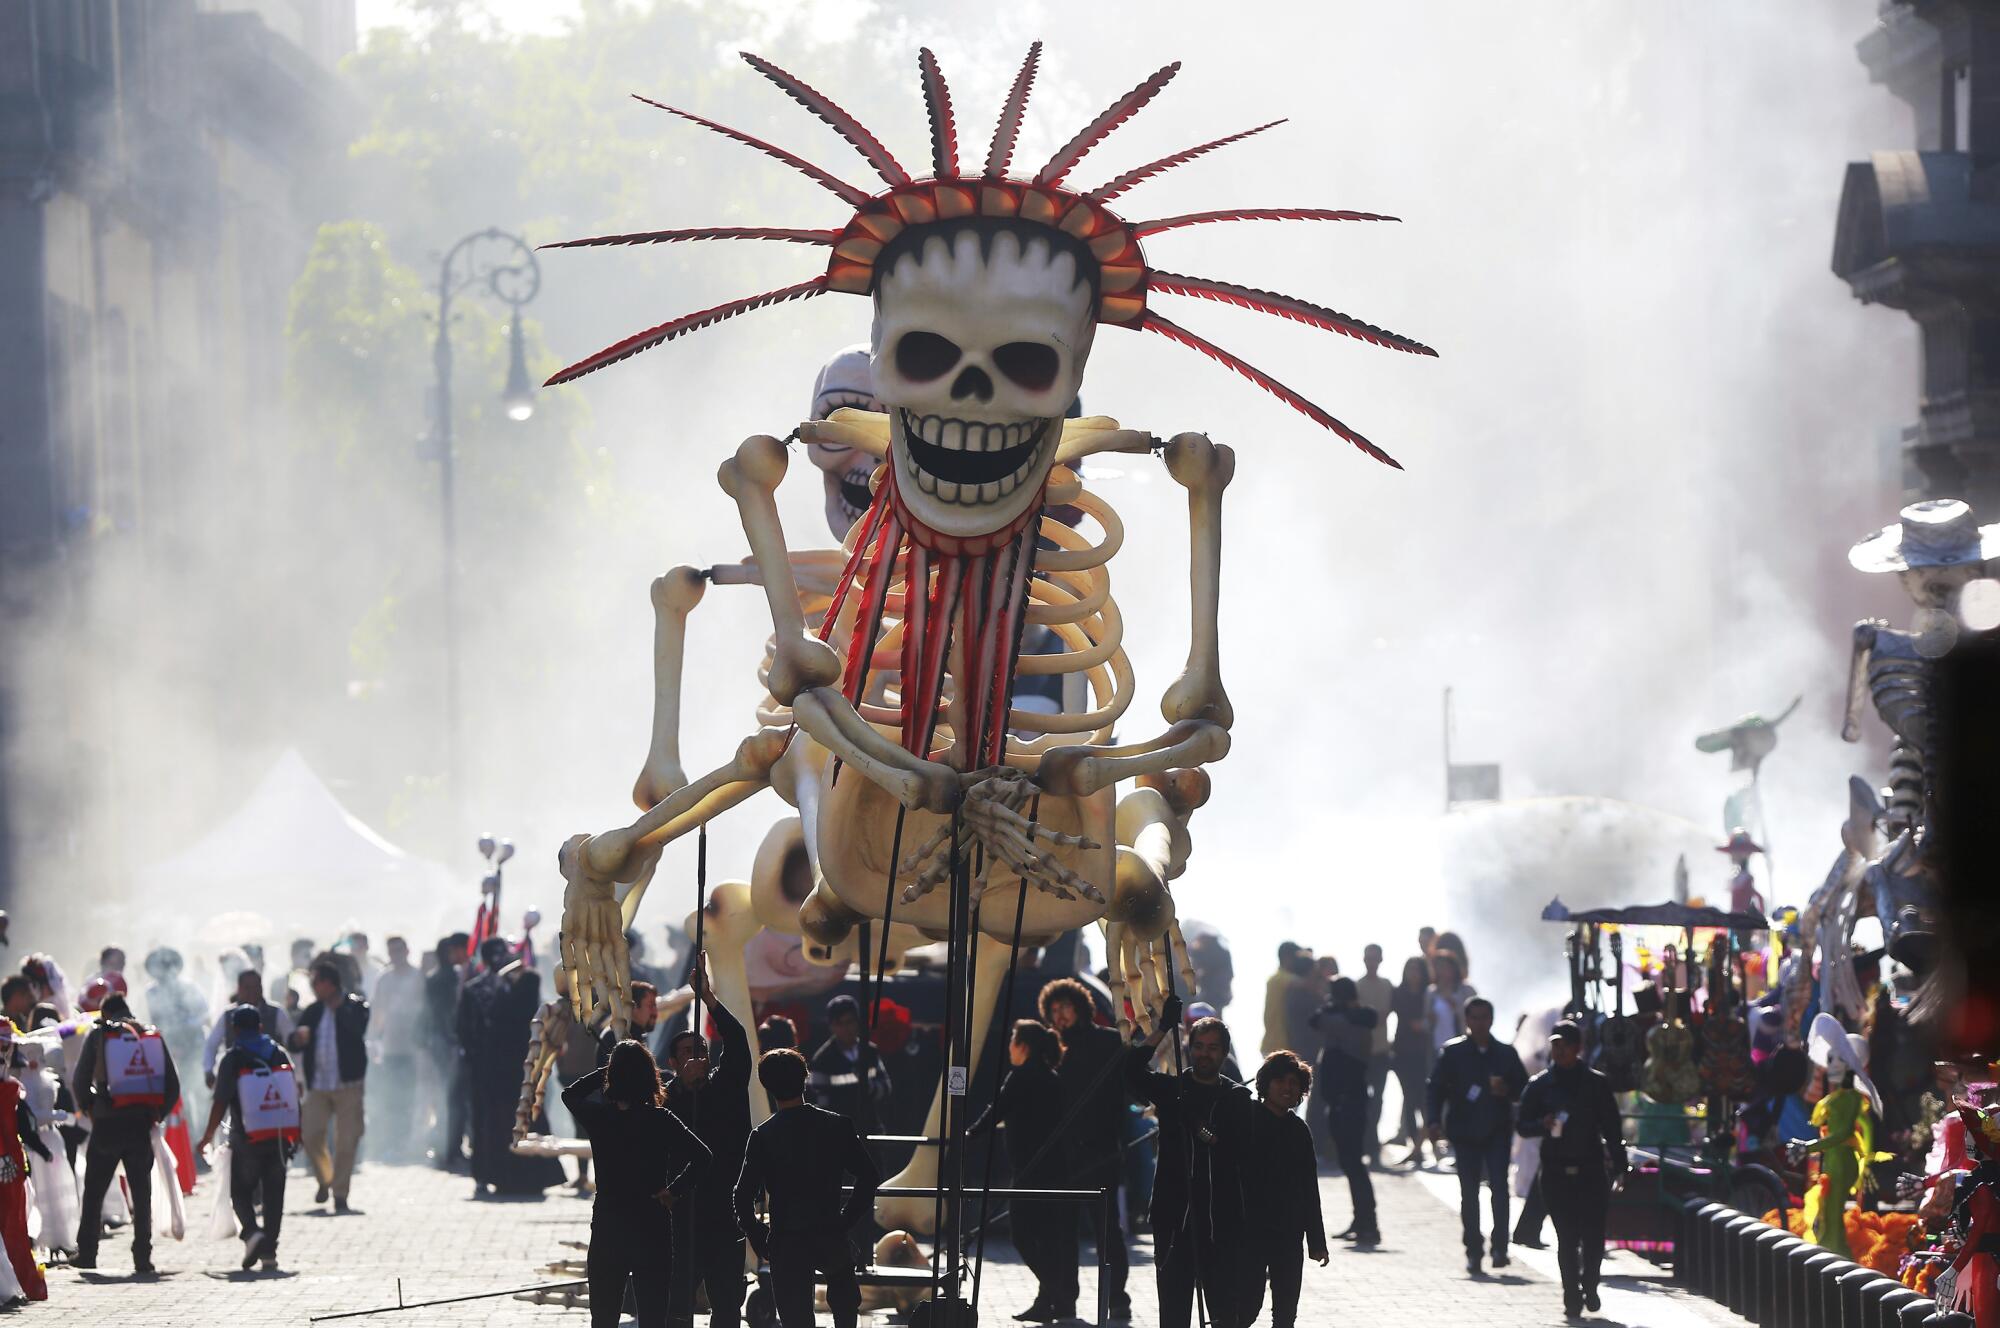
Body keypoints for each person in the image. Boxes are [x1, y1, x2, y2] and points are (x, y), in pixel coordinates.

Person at [564, 1039, 711, 1328]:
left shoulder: (600, 1117)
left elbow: (571, 1094)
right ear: (650, 1077)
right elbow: (703, 1157)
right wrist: (675, 1190)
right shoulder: (661, 1119)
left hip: (609, 1223)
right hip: (652, 1222)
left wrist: (613, 1069)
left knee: (604, 1317)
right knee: (653, 1317)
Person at [1128, 999, 1255, 1328]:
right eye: (1198, 1046)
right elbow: (1129, 1070)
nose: (1204, 1054)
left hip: (1220, 1219)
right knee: (1173, 1311)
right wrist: (1161, 1029)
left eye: (1213, 1048)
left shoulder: (1237, 1098)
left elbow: (1245, 1155)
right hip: (1174, 1217)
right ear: (1188, 1047)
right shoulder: (1171, 1089)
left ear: (1225, 1052)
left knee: (1226, 1312)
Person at [733, 1048, 882, 1328]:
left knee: (796, 1319)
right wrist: (845, 1220)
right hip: (830, 1232)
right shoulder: (837, 1126)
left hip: (786, 1238)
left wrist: (757, 1234)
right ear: (805, 1078)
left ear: (767, 1086)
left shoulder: (763, 1136)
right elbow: (869, 1176)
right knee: (846, 1312)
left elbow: (742, 1196)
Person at [661, 957, 753, 1328]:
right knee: (677, 1303)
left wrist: (710, 1000)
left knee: (727, 1303)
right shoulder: (666, 1099)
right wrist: (683, 1086)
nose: (697, 1057)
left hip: (724, 1207)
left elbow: (738, 1041)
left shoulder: (726, 1086)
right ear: (672, 1062)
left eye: (701, 1050)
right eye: (687, 1052)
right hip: (681, 1213)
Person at [967, 1020, 1073, 1322]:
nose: (1010, 1047)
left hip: (1030, 1168)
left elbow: (997, 1109)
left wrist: (971, 1134)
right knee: (1047, 1236)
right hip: (1052, 1168)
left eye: (1013, 1040)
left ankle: (1054, 1290)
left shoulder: (1022, 1075)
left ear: (1022, 1045)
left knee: (1023, 1235)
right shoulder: (1051, 1076)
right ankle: (1049, 1297)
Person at [1517, 1019, 1624, 1318]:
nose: (1559, 1051)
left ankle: (1590, 1283)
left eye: (1565, 1045)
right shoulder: (1539, 1085)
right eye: (1555, 1045)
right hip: (1554, 1172)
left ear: (1578, 1048)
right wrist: (1542, 1124)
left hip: (1591, 1169)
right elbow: (1522, 1125)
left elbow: (1612, 1128)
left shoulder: (1596, 1084)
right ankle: (1570, 1295)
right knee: (1566, 1236)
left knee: (1593, 1236)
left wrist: (1619, 1165)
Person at [1040, 977, 1131, 1320]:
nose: (1061, 1016)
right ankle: (1064, 1302)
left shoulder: (1108, 1042)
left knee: (1108, 1233)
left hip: (1102, 1150)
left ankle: (1117, 1298)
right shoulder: (1050, 1048)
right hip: (1063, 1155)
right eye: (1054, 1010)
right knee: (1063, 1233)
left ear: (1080, 1008)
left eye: (1066, 1008)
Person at [73, 993, 180, 1273]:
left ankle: (87, 1253)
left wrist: (89, 1108)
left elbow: (80, 1079)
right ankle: (142, 1256)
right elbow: (173, 1084)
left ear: (105, 1013)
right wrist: (158, 1114)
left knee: (94, 1190)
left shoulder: (101, 1035)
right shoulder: (148, 1036)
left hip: (107, 1122)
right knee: (141, 1192)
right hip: (140, 1123)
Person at [1427, 996, 1528, 1276]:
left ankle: (1500, 1247)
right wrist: (1433, 1120)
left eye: (1484, 1017)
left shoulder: (1506, 1054)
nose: (1479, 1023)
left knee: (1499, 1188)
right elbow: (1435, 1088)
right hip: (1464, 1131)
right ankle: (1473, 1249)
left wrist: (1506, 1089)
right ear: (1466, 1020)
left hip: (1497, 1130)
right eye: (1474, 1018)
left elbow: (1524, 1090)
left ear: (1492, 1020)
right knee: (1469, 1194)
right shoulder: (1453, 1052)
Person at [458, 937, 565, 1197]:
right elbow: (465, 1030)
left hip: (519, 1066)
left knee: (524, 1117)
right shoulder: (477, 989)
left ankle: (526, 1176)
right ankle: (491, 1174)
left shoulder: (525, 981)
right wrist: (478, 1059)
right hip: (491, 1070)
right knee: (492, 1122)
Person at [198, 1006, 297, 1272]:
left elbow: (220, 1102)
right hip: (277, 1136)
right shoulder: (278, 1053)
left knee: (240, 1190)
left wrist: (207, 1136)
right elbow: (292, 1093)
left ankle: (252, 1233)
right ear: (261, 1028)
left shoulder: (233, 1058)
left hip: (246, 1138)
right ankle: (269, 1253)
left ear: (235, 1030)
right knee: (274, 1194)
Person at [1245, 1051, 1327, 1328]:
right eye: (1280, 1080)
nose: (1287, 1087)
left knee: (1285, 1312)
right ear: (1266, 1084)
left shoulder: (1299, 1131)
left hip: (1289, 1234)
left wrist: (1316, 1242)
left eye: (1294, 1082)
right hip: (1249, 1233)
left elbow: (1309, 1189)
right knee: (1246, 1307)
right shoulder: (1247, 1120)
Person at [289, 960, 369, 1212]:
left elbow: (358, 1029)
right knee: (310, 1134)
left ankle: (340, 1194)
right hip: (319, 1086)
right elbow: (294, 1043)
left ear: (330, 983)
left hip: (348, 1085)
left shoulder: (356, 1005)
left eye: (317, 982)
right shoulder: (313, 1011)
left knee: (347, 1140)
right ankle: (326, 1179)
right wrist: (297, 1038)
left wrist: (340, 1010)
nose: (313, 987)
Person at [1311, 977, 1379, 1243]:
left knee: (1353, 1163)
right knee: (1352, 1164)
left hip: (1347, 1102)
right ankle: (1363, 1220)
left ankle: (1367, 1223)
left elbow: (1316, 1020)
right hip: (1347, 1101)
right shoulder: (1356, 1018)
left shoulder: (1344, 1020)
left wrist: (1334, 1007)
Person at [368, 936, 427, 1161]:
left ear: (407, 951)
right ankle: (392, 1143)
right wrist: (373, 1040)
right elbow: (377, 1013)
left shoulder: (418, 977)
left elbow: (425, 1012)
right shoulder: (384, 980)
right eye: (391, 951)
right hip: (391, 1048)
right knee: (391, 1098)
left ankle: (408, 1143)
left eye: (399, 950)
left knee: (411, 1098)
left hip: (413, 1049)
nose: (396, 955)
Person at [807, 993, 891, 1136]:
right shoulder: (822, 1060)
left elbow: (886, 1087)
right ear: (831, 1026)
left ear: (858, 1022)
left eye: (850, 1022)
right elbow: (819, 1102)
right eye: (839, 1023)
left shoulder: (870, 1051)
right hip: (840, 1135)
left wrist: (869, 1087)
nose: (846, 1028)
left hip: (871, 1130)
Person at [426, 933, 470, 1171]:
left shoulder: (439, 978)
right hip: (447, 1043)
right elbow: (443, 1014)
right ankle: (449, 1149)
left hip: (444, 1042)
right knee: (452, 1099)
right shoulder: (445, 979)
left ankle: (449, 1147)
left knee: (450, 1099)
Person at [203, 969, 291, 1089]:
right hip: (237, 1081)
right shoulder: (228, 1016)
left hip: (272, 1082)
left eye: (256, 987)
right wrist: (209, 1070)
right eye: (247, 987)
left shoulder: (276, 1013)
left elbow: (291, 1041)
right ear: (239, 989)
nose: (252, 992)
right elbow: (211, 1045)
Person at [1389, 956, 1435, 1166]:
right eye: (1410, 969)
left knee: (1422, 1099)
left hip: (1423, 1052)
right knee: (1408, 1098)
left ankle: (1422, 1142)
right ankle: (1414, 1144)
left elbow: (1433, 1019)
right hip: (1402, 1051)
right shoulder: (1399, 993)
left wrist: (1424, 1024)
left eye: (1417, 969)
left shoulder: (1429, 993)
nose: (1413, 973)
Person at [1354, 944, 1395, 1165]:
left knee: (1377, 1100)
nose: (1371, 962)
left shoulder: (1387, 985)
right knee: (1362, 1099)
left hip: (1380, 1050)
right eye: (1368, 958)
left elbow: (1386, 1014)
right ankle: (1365, 1143)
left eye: (1375, 958)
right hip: (1361, 1051)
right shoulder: (1357, 986)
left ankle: (1373, 1145)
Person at [599, 980, 660, 1067]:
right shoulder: (614, 1036)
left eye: (655, 1006)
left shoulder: (638, 1036)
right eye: (651, 1005)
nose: (655, 1012)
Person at [1427, 950, 1477, 1054]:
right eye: (1439, 967)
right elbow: (1426, 1023)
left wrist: (1456, 1007)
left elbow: (1476, 1017)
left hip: (1463, 1045)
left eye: (1445, 967)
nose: (1442, 971)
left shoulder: (1466, 991)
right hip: (1437, 1047)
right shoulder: (1431, 993)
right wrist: (1430, 1020)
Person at [1261, 942, 1305, 1057]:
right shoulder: (1278, 979)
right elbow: (1304, 984)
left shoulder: (1276, 979)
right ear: (1287, 958)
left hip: (1275, 1044)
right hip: (1277, 1045)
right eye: (1297, 958)